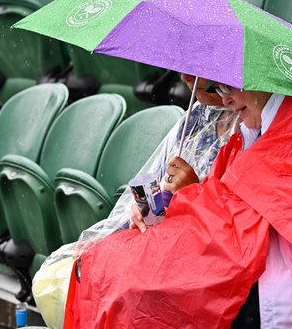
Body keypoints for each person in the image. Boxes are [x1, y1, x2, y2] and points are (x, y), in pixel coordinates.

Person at [64, 84, 292, 328]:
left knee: (136, 289)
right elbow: (223, 201)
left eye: (229, 88)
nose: (225, 101)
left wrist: (204, 200)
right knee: (102, 262)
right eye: (218, 90)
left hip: (271, 275)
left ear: (260, 81)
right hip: (233, 257)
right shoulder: (248, 133)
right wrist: (173, 200)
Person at [31, 74, 237, 328]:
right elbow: (148, 184)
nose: (185, 77)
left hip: (195, 264)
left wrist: (194, 193)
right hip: (156, 244)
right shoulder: (196, 117)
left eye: (197, 71)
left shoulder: (251, 129)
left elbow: (234, 229)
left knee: (120, 297)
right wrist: (142, 207)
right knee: (62, 277)